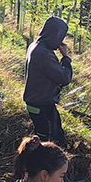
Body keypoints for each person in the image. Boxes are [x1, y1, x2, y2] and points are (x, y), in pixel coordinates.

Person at [23, 16, 73, 145]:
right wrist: (66, 58)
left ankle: (36, 163)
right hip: (43, 105)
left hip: (37, 102)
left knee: (45, 137)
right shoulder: (44, 54)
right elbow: (64, 78)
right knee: (50, 143)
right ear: (55, 35)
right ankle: (41, 165)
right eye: (61, 37)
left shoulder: (35, 46)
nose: (61, 41)